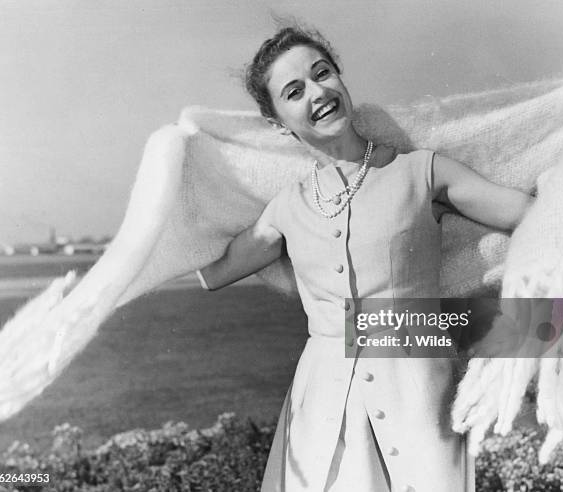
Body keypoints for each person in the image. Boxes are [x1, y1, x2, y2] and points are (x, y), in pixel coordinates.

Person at [191, 26, 534, 492]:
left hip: (419, 393)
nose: (318, 92)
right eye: (295, 91)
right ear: (278, 122)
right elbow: (210, 271)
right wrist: (183, 166)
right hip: (322, 409)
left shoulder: (421, 171)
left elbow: (533, 216)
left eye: (322, 73)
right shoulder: (285, 209)